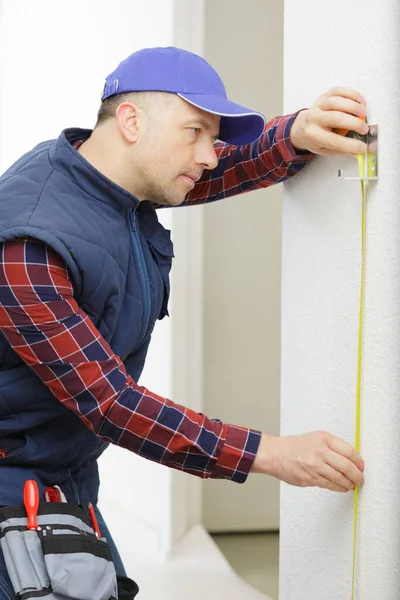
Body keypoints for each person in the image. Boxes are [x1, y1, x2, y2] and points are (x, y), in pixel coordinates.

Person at [0, 46, 367, 596]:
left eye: (212, 135)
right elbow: (112, 404)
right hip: (13, 485)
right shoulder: (28, 246)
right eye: (194, 132)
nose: (209, 155)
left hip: (67, 480)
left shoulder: (104, 178)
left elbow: (216, 171)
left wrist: (296, 134)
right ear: (131, 121)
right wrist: (274, 454)